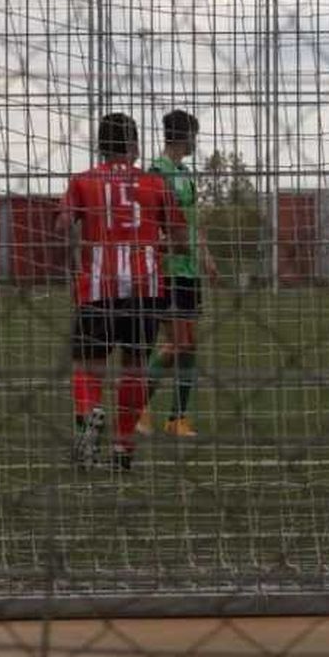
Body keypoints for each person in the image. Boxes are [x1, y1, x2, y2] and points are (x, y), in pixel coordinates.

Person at [58, 113, 187, 472]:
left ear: (101, 146)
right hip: (146, 287)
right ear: (133, 145)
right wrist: (155, 246)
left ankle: (88, 414)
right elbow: (180, 239)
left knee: (87, 364)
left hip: (98, 286)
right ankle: (123, 449)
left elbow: (62, 224)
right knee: (134, 366)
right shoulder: (156, 184)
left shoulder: (83, 182)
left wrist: (80, 250)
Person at [139, 110, 217, 439]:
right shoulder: (156, 173)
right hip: (165, 269)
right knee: (178, 343)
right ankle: (137, 407)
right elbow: (149, 221)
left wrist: (205, 254)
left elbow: (192, 221)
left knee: (189, 346)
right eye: (193, 135)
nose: (194, 142)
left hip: (187, 270)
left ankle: (177, 419)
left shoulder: (186, 174)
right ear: (183, 136)